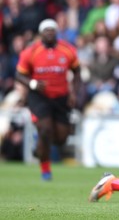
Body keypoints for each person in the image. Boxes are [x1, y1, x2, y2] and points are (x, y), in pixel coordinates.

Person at [15, 18, 81, 181]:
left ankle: (39, 147)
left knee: (61, 138)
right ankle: (45, 170)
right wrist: (32, 83)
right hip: (39, 97)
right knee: (45, 129)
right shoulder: (31, 51)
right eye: (46, 30)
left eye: (52, 30)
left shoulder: (68, 50)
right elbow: (19, 74)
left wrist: (74, 92)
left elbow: (77, 71)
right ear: (40, 34)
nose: (50, 33)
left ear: (56, 33)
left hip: (61, 97)